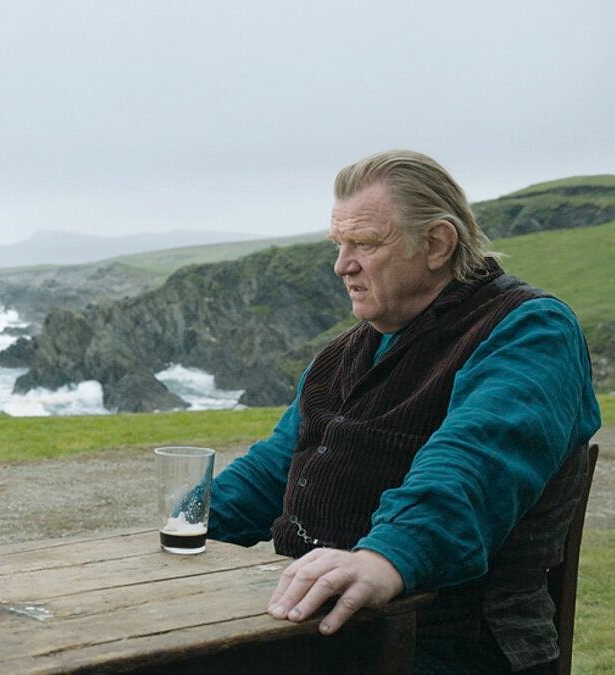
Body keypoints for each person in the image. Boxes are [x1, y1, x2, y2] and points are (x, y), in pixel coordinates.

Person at [206, 150, 601, 673]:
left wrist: (386, 557)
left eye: (365, 243)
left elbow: (475, 461)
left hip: (450, 645)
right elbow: (273, 469)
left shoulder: (530, 331)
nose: (342, 265)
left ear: (436, 244)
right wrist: (183, 523)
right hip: (325, 630)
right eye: (339, 244)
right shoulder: (344, 353)